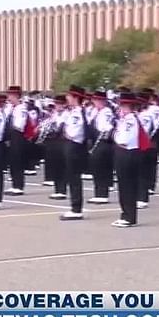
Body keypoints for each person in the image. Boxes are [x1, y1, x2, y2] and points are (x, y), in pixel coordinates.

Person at [111, 92, 150, 227]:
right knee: (124, 185)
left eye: (121, 104)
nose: (119, 107)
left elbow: (124, 140)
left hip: (128, 153)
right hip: (125, 152)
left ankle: (128, 216)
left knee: (127, 186)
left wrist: (115, 136)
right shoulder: (126, 119)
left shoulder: (130, 120)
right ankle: (126, 214)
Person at [58, 85, 89, 221]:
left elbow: (73, 132)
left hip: (75, 146)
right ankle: (74, 206)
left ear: (76, 97)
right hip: (70, 145)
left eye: (69, 96)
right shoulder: (72, 112)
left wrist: (66, 133)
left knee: (74, 177)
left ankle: (76, 208)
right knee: (71, 177)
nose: (67, 98)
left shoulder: (78, 113)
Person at [87, 90, 115, 204]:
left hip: (103, 141)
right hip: (94, 140)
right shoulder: (94, 111)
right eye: (94, 100)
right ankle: (98, 192)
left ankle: (102, 193)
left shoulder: (106, 112)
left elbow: (106, 127)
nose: (95, 102)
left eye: (97, 100)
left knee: (102, 167)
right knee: (96, 167)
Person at [3, 86, 31, 196]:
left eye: (10, 95)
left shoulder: (21, 108)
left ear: (16, 96)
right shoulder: (10, 108)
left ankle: (19, 185)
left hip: (18, 135)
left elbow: (19, 125)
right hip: (10, 135)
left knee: (17, 160)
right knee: (12, 161)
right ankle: (14, 184)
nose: (8, 97)